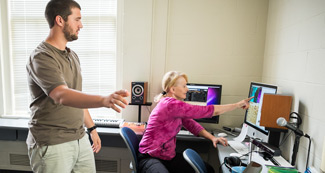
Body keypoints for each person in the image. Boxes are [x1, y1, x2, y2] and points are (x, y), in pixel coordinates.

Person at [26, 0, 130, 172]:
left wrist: (92, 128)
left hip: (79, 138)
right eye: (77, 19)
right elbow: (61, 95)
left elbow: (76, 96)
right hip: (52, 142)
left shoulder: (72, 55)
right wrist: (104, 100)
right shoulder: (41, 56)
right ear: (60, 20)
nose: (81, 25)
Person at [138, 71, 252, 173]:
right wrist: (237, 105)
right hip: (150, 157)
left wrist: (212, 138)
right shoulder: (170, 104)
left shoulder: (175, 107)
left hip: (167, 157)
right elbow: (209, 111)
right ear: (172, 89)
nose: (187, 89)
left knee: (208, 169)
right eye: (184, 86)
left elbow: (191, 125)